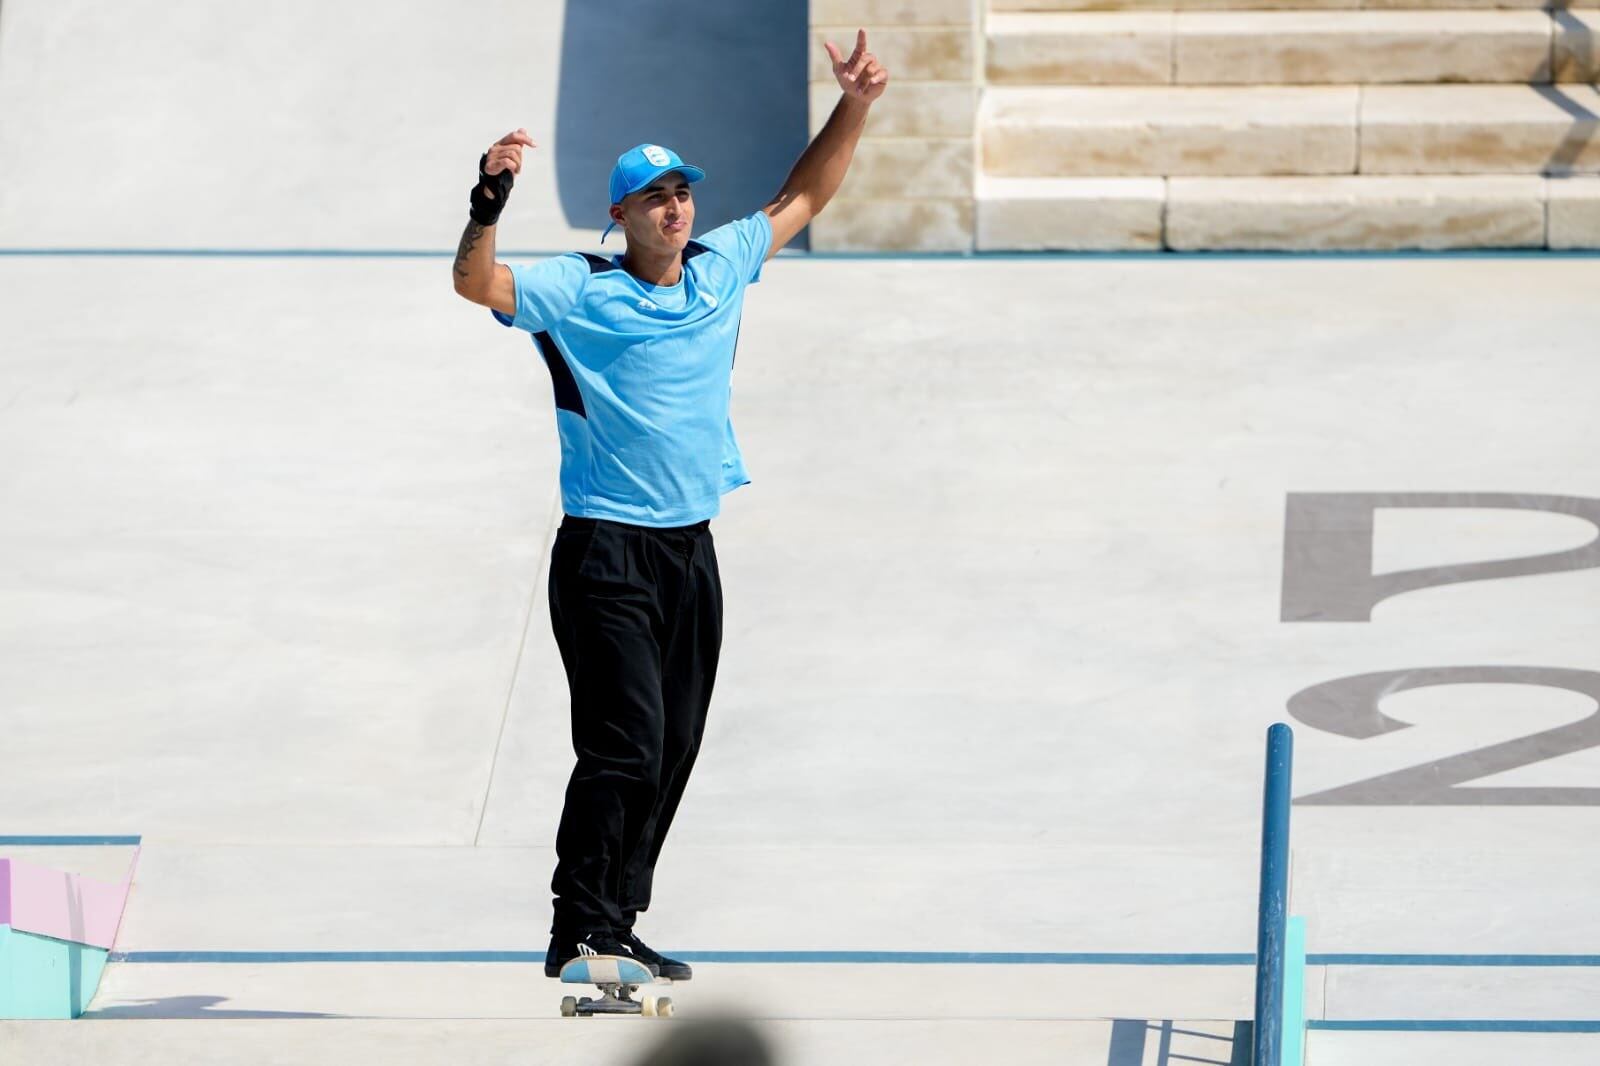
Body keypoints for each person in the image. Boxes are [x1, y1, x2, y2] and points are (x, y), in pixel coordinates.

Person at [451, 31, 889, 983]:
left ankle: (619, 918)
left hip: (691, 549)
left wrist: (852, 105)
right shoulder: (581, 287)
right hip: (606, 552)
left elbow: (802, 197)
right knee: (623, 742)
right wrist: (489, 201)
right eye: (656, 197)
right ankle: (577, 929)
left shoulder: (722, 266)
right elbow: (474, 281)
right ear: (622, 215)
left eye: (683, 192)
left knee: (674, 746)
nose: (677, 207)